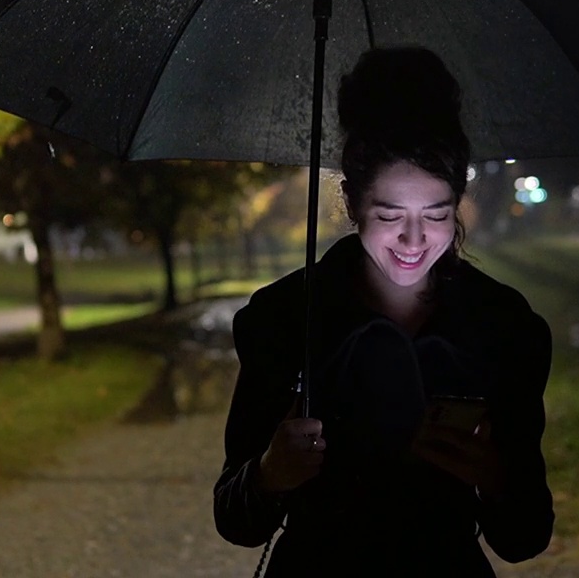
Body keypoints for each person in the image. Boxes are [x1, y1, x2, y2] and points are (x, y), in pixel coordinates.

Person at [213, 47, 554, 576]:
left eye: (437, 214)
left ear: (457, 201)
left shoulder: (503, 326)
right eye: (389, 214)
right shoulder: (283, 318)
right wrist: (268, 474)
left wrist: (497, 477)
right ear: (351, 201)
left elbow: (525, 537)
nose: (414, 240)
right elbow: (236, 521)